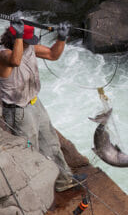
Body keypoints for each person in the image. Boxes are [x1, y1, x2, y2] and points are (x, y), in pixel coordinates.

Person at [0, 17, 86, 192]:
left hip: (34, 102)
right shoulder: (3, 54)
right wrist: (18, 37)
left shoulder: (28, 48)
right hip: (18, 111)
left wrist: (61, 38)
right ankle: (34, 192)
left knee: (50, 142)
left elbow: (53, 55)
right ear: (17, 39)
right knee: (29, 150)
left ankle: (64, 180)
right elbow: (15, 61)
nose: (30, 44)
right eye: (26, 40)